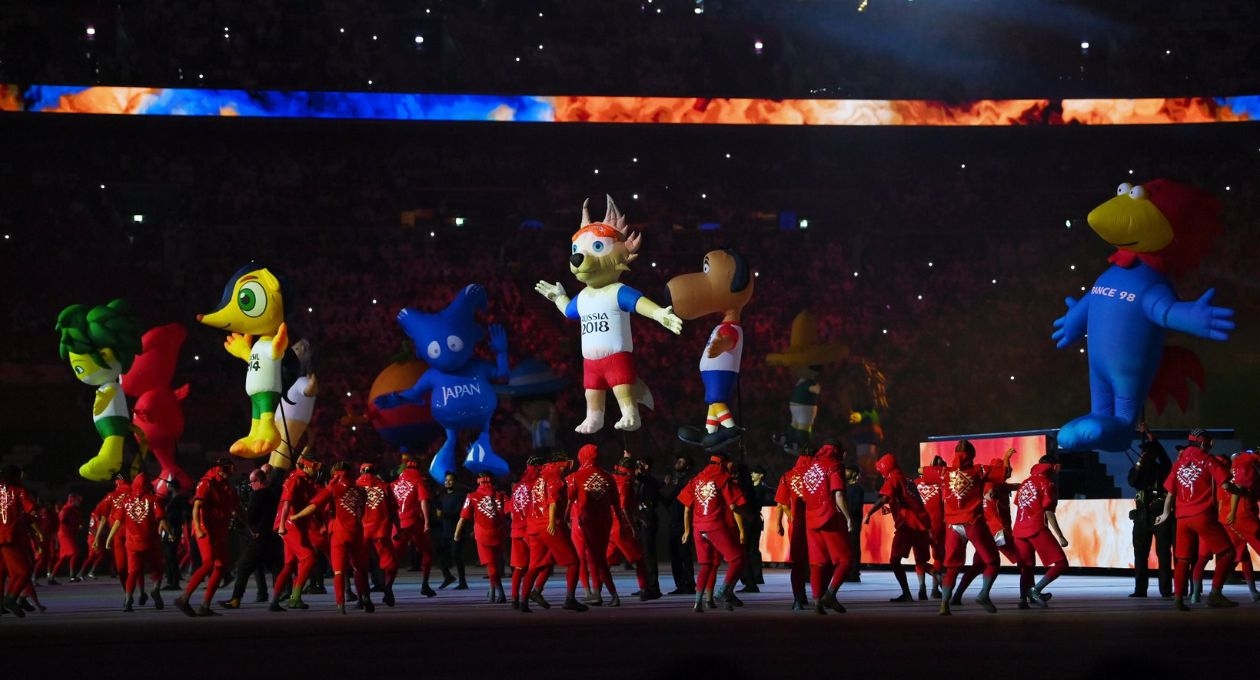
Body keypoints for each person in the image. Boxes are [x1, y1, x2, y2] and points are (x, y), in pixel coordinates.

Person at [920, 440, 1012, 615]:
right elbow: (1005, 473)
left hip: (952, 526)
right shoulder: (979, 470)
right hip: (973, 523)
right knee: (992, 561)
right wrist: (1006, 458)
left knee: (952, 567)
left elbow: (922, 472)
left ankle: (944, 605)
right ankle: (984, 594)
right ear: (972, 454)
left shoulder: (944, 473)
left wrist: (933, 467)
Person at [1156, 428, 1240, 610]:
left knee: (1183, 560)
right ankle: (1215, 594)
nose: (1211, 445)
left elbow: (1170, 495)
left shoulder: (1178, 465)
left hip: (1182, 519)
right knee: (1227, 553)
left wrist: (1165, 514)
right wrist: (1241, 492)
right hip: (1202, 516)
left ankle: (1178, 599)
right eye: (1210, 442)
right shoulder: (1208, 461)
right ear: (1203, 443)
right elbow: (1226, 484)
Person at [289, 462, 375, 614]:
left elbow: (314, 506)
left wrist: (296, 516)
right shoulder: (361, 490)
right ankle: (366, 598)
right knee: (359, 568)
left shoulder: (332, 489)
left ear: (335, 473)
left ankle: (340, 604)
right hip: (357, 533)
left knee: (338, 571)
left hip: (339, 534)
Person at [175, 457, 244, 617]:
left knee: (221, 566)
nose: (231, 472)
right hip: (206, 529)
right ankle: (184, 598)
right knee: (209, 563)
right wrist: (198, 528)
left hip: (220, 530)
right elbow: (197, 506)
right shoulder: (206, 483)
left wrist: (251, 527)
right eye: (228, 469)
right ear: (220, 469)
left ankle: (205, 605)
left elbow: (237, 508)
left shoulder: (226, 486)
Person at [679, 452, 747, 613]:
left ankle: (698, 603)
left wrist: (687, 530)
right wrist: (744, 527)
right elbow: (734, 506)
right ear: (722, 464)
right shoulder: (723, 479)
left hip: (698, 528)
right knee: (737, 559)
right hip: (714, 526)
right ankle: (723, 591)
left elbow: (687, 507)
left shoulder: (695, 480)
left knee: (706, 565)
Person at [520, 453, 588, 613]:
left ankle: (524, 600)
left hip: (534, 528)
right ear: (559, 464)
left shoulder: (538, 478)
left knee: (534, 566)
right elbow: (553, 500)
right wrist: (552, 522)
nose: (566, 468)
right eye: (565, 464)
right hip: (548, 526)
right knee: (573, 563)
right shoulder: (554, 476)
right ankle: (570, 599)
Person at [865, 452, 932, 602]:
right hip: (921, 524)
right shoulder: (907, 479)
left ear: (885, 468)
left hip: (907, 526)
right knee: (921, 561)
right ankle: (936, 577)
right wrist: (892, 508)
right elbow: (909, 501)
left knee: (895, 561)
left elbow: (883, 499)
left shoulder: (893, 479)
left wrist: (869, 513)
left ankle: (907, 593)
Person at [103, 472, 171, 611]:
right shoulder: (154, 499)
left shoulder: (126, 501)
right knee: (157, 568)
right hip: (150, 542)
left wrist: (109, 538)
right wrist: (169, 534)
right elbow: (161, 520)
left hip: (132, 544)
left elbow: (117, 522)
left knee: (133, 572)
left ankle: (128, 600)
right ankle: (156, 589)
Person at [1012, 454, 1070, 608]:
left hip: (1018, 530)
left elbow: (1018, 503)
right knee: (1061, 563)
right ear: (1054, 466)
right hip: (1036, 528)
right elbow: (1048, 512)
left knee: (1027, 567)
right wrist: (1060, 536)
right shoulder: (1048, 484)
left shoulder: (1025, 482)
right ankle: (1035, 590)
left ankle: (1023, 600)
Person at [220, 467, 280, 609]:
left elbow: (250, 517)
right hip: (271, 536)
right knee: (277, 569)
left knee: (243, 566)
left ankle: (236, 599)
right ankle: (278, 600)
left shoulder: (257, 495)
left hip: (259, 537)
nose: (250, 485)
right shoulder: (274, 494)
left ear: (258, 481)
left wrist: (239, 514)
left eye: (251, 482)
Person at [270, 451, 321, 611]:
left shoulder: (306, 481)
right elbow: (286, 503)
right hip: (290, 524)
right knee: (309, 558)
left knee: (289, 565)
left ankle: (275, 601)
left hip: (297, 524)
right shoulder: (294, 480)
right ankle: (295, 597)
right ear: (306, 465)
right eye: (315, 466)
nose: (317, 469)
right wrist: (283, 525)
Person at [1128, 422, 1173, 598]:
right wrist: (1140, 462)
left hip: (1159, 515)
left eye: (1149, 451)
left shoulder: (1162, 469)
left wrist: (1151, 436)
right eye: (1144, 451)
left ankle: (1166, 590)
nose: (1145, 453)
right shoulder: (1138, 469)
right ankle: (1140, 589)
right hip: (1141, 517)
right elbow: (1133, 481)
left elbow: (1166, 460)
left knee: (1163, 554)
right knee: (1140, 555)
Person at [454, 470, 509, 604]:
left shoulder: (472, 496)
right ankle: (492, 591)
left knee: (491, 566)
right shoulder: (501, 494)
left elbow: (463, 518)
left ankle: (500, 593)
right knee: (495, 563)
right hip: (500, 533)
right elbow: (511, 511)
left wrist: (456, 535)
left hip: (483, 535)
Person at [608, 454, 656, 600]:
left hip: (610, 526)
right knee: (639, 559)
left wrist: (639, 518)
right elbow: (624, 508)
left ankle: (597, 591)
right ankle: (644, 589)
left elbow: (629, 506)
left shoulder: (611, 480)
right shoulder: (625, 484)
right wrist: (633, 526)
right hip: (622, 528)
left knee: (605, 562)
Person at [391, 457, 437, 597]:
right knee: (427, 551)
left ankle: (388, 586)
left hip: (398, 523)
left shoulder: (393, 484)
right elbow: (423, 501)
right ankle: (425, 584)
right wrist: (427, 522)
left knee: (394, 557)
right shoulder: (418, 482)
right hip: (413, 522)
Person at [356, 462, 400, 606]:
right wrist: (398, 528)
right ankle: (388, 587)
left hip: (361, 530)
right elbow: (394, 511)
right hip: (382, 529)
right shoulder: (384, 486)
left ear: (361, 471)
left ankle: (363, 597)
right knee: (390, 562)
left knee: (360, 565)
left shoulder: (354, 486)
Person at [0, 464, 40, 617]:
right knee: (24, 571)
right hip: (10, 537)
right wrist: (38, 529)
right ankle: (10, 598)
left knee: (2, 572)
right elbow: (31, 510)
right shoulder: (19, 491)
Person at [775, 451, 812, 610]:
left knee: (798, 562)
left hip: (796, 525)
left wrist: (786, 520)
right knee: (818, 562)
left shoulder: (787, 476)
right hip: (816, 524)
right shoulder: (818, 474)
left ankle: (798, 597)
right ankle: (820, 596)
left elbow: (782, 502)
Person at [1223, 448, 1260, 602]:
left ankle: (1209, 592)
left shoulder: (1233, 472)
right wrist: (1232, 513)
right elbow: (1238, 490)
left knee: (1240, 556)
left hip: (1232, 517)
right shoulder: (1245, 466)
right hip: (1242, 515)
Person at [661, 453, 696, 595]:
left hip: (683, 523)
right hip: (674, 522)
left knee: (684, 555)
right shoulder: (677, 481)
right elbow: (667, 500)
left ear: (687, 466)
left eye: (681, 461)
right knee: (675, 555)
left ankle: (688, 584)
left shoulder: (687, 481)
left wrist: (664, 487)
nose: (677, 462)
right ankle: (682, 584)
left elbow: (670, 497)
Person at [914, 455, 948, 599]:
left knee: (920, 558)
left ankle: (922, 587)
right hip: (938, 524)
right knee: (938, 557)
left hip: (920, 525)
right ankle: (935, 589)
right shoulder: (943, 484)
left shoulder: (915, 483)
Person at [738, 464, 774, 592]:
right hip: (754, 521)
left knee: (751, 550)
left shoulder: (760, 489)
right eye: (751, 473)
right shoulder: (752, 488)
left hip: (751, 521)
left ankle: (752, 578)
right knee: (752, 549)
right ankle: (754, 577)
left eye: (755, 473)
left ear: (761, 475)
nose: (752, 475)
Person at [435, 471, 469, 590]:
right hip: (445, 530)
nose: (447, 482)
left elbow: (459, 514)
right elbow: (438, 510)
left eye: (450, 480)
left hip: (456, 531)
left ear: (455, 482)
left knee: (457, 556)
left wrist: (443, 514)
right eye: (446, 480)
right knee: (440, 555)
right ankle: (448, 576)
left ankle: (462, 581)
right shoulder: (442, 495)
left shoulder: (460, 496)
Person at [633, 457, 662, 596]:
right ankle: (646, 585)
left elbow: (640, 476)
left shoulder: (650, 480)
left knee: (649, 554)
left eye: (644, 464)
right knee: (644, 554)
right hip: (642, 519)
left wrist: (631, 461)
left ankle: (653, 587)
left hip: (648, 520)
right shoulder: (642, 481)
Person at [160, 479, 189, 590]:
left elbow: (186, 511)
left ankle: (174, 582)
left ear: (172, 487)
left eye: (169, 486)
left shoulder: (180, 498)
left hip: (174, 528)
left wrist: (183, 524)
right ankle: (170, 580)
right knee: (168, 555)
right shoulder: (170, 499)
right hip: (168, 528)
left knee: (171, 555)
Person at [50, 493, 84, 582]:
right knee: (75, 552)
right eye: (78, 500)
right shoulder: (67, 509)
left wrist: (78, 525)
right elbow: (61, 519)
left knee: (63, 557)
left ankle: (51, 577)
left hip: (70, 535)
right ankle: (72, 575)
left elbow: (77, 521)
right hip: (65, 535)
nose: (79, 502)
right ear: (72, 501)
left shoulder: (75, 510)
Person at [843, 464, 864, 583]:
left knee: (853, 547)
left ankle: (853, 573)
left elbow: (854, 508)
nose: (845, 473)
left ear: (854, 473)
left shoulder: (856, 488)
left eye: (847, 471)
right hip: (850, 522)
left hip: (853, 522)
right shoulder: (849, 488)